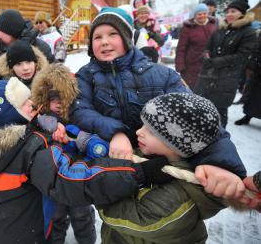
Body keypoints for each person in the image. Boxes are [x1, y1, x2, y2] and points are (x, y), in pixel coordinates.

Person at [0, 77, 174, 244]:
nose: (32, 105)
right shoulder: (28, 150)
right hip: (34, 233)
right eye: (24, 104)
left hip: (1, 231)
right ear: (8, 115)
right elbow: (75, 180)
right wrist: (137, 173)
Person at [69, 7, 247, 180]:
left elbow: (198, 117)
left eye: (113, 34)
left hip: (158, 164)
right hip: (111, 159)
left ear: (127, 38)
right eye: (97, 37)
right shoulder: (85, 76)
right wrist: (116, 132)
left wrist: (217, 161)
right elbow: (80, 110)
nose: (104, 41)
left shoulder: (162, 75)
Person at [99, 92, 241, 244]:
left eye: (151, 131)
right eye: (142, 125)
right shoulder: (148, 153)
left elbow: (121, 217)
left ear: (177, 145)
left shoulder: (177, 197)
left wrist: (98, 185)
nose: (138, 132)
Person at [31, 63, 96, 244]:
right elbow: (44, 122)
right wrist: (55, 125)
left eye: (63, 98)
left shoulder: (80, 116)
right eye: (53, 99)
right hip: (55, 179)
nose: (59, 103)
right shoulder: (42, 120)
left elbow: (89, 137)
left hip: (78, 176)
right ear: (45, 100)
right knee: (56, 217)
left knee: (82, 215)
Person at [194, 0, 257, 127]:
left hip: (226, 80)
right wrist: (206, 56)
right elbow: (208, 47)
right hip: (206, 77)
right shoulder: (220, 29)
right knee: (200, 110)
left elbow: (242, 57)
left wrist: (215, 62)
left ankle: (218, 142)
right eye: (227, 11)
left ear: (243, 13)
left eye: (233, 11)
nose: (229, 14)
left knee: (219, 113)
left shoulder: (248, 32)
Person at [175, 3, 218, 89]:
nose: (202, 16)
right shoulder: (187, 28)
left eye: (204, 13)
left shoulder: (214, 25)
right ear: (195, 15)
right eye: (199, 14)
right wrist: (180, 64)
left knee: (208, 89)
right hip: (192, 65)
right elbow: (181, 48)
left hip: (211, 63)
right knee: (193, 89)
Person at [235, 30, 261, 125]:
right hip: (258, 72)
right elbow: (256, 49)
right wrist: (255, 62)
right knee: (254, 96)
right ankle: (248, 116)